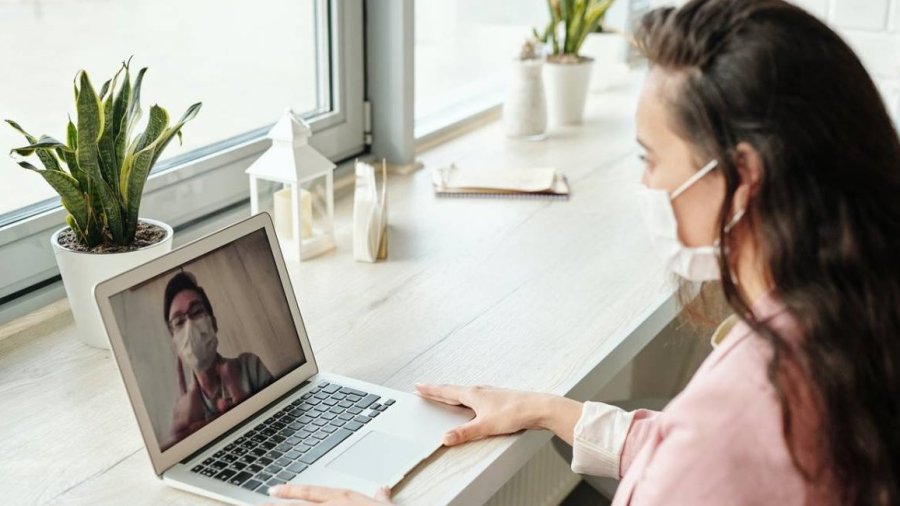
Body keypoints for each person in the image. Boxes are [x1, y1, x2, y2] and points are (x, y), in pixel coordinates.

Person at [268, 0, 900, 504]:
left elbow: (715, 454)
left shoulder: (744, 407)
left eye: (651, 160)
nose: (646, 187)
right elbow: (721, 471)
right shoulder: (850, 314)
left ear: (744, 179)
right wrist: (551, 411)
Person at [164, 271, 274, 447]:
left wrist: (251, 416)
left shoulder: (249, 366)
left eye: (197, 312)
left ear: (213, 324)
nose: (190, 326)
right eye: (179, 322)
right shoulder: (183, 413)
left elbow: (283, 423)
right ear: (175, 342)